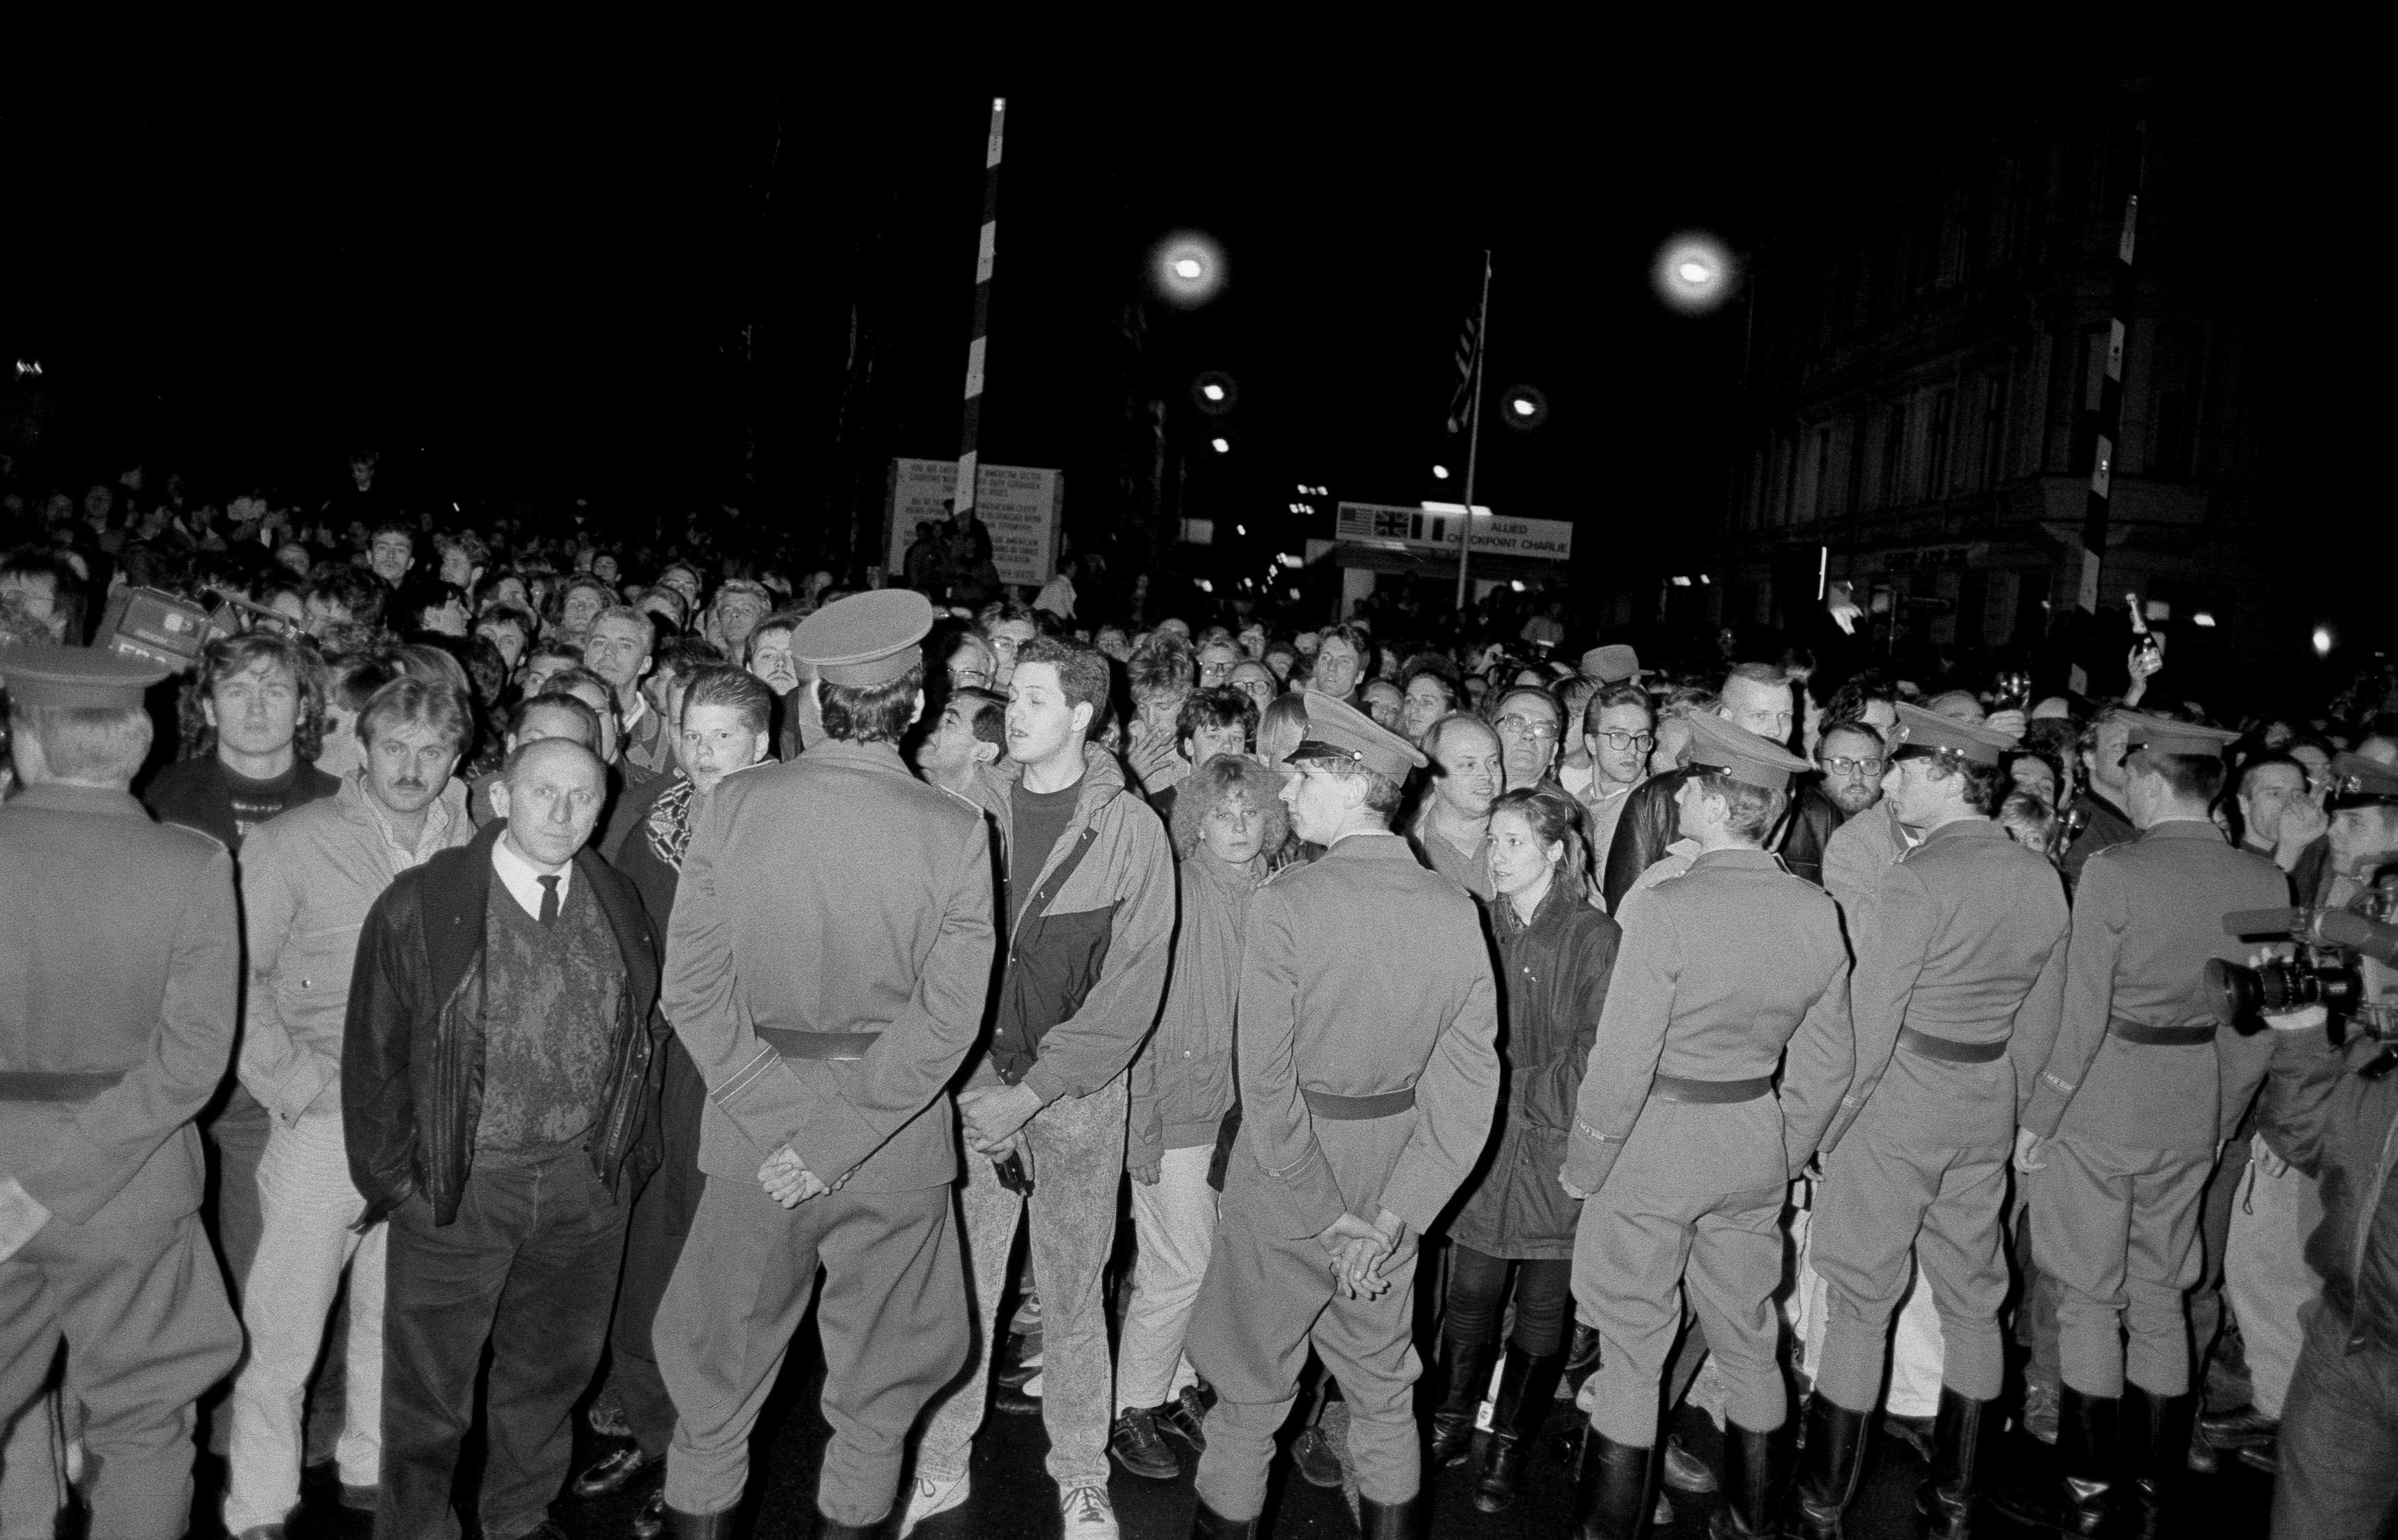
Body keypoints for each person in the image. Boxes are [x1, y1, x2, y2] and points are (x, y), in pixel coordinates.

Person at [648, 593, 995, 1540]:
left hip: (758, 1144)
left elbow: (693, 988)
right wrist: (841, 1137)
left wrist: (782, 1120)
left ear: (807, 696)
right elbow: (948, 1020)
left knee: (715, 1381)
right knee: (881, 1391)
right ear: (916, 703)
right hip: (894, 1148)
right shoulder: (958, 829)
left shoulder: (737, 806)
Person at [1183, 690, 1500, 1539]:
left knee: (1248, 1399)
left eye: (1297, 780)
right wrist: (1391, 1217)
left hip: (1289, 1176)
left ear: (1343, 780)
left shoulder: (1286, 904)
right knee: (1384, 1394)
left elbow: (1268, 1083)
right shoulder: (1454, 910)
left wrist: (1326, 1218)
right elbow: (1468, 1091)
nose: (1284, 796)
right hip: (1393, 1175)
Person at [344, 737, 667, 1540]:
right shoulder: (424, 902)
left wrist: (620, 1165)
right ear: (498, 797)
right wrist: (398, 1185)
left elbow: (641, 1034)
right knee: (428, 1395)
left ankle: (518, 1516)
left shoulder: (617, 897)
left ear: (604, 804)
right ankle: (415, 1529)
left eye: (582, 796)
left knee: (550, 1377)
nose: (561, 812)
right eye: (542, 792)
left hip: (582, 1185)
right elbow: (372, 1056)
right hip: (459, 1187)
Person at [906, 636, 1175, 1540]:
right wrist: (980, 1083)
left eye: (1031, 699)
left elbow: (1134, 987)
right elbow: (932, 960)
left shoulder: (1129, 829)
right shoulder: (963, 807)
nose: (1011, 714)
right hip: (975, 1087)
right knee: (964, 1293)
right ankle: (940, 1461)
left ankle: (1081, 1475)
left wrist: (1034, 1092)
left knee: (1071, 1294)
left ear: (1082, 716)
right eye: (1011, 698)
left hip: (1077, 1098)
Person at [1561, 710, 1853, 1540]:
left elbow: (1621, 1059)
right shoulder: (1813, 910)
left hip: (1655, 1144)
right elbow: (1828, 1063)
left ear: (1719, 805)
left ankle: (1605, 1529)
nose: (1680, 791)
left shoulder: (1667, 907)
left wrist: (1586, 1162)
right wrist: (1781, 1145)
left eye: (1692, 782)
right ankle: (1754, 1522)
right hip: (1751, 1137)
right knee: (1748, 1336)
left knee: (1631, 1344)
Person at [1999, 714, 2289, 1535]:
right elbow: (2257, 1021)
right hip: (2190, 1098)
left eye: (2128, 770)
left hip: (2100, 1100)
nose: (2120, 782)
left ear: (2154, 779)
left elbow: (2081, 1008)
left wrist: (2041, 1112)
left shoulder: (2113, 869)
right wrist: (2222, 1109)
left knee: (2089, 1297)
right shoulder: (2265, 881)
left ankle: (2089, 1491)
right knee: (2162, 1292)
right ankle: (2155, 1491)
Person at [1788, 706, 2069, 1540]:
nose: (1888, 785)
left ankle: (1819, 1503)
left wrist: (1826, 1132)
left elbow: (1869, 1022)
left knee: (1859, 1299)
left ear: (1949, 774)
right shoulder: (2038, 877)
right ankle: (1953, 1500)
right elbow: (2039, 1018)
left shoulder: (1914, 877)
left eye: (1904, 771)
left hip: (1897, 1108)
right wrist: (2012, 1111)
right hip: (1981, 1105)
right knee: (1973, 1304)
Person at [221, 674, 478, 1535]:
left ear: (457, 757)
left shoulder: (473, 844)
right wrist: (297, 1089)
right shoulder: (293, 843)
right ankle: (260, 1503)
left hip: (429, 1127)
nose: (412, 767)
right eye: (395, 746)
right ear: (359, 749)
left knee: (388, 1319)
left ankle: (369, 1472)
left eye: (433, 749)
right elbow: (234, 982)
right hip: (327, 1125)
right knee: (283, 1336)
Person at [0, 646, 245, 1540]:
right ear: (136, 746)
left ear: (26, 740)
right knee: (145, 1423)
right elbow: (191, 1065)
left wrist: (21, 1186)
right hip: (130, 1184)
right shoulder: (189, 863)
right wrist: (58, 1182)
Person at [573, 667, 772, 1539]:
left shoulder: (785, 825)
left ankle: (703, 1456)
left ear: (761, 744)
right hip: (648, 1059)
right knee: (643, 1243)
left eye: (723, 735)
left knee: (717, 1268)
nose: (702, 749)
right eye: (693, 732)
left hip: (734, 1065)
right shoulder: (650, 815)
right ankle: (647, 1422)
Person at [1432, 784, 1620, 1515]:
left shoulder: (1592, 937)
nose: (1498, 855)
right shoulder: (1476, 924)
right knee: (1471, 1293)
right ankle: (1450, 1419)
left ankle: (1508, 1440)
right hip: (1482, 1143)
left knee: (1543, 1308)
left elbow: (1597, 1054)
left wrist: (1504, 1089)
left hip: (1551, 1146)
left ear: (1553, 852)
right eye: (1493, 841)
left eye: (1514, 842)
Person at [1112, 756, 1289, 1485]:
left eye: (1249, 811)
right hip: (1181, 1109)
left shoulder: (1274, 891)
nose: (1239, 826)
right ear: (1196, 822)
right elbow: (1140, 1018)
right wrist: (1142, 1125)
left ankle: (1180, 1383)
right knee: (1174, 1267)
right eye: (1222, 813)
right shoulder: (1177, 892)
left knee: (1208, 1265)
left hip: (1241, 1111)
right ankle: (1131, 1406)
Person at [1601, 663, 1798, 910]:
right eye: (1760, 716)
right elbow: (1623, 910)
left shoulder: (1815, 809)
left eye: (1785, 716)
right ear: (1727, 719)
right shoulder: (1660, 797)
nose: (1776, 729)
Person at [1408, 713, 1503, 901]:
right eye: (1469, 765)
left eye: (1493, 762)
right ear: (1435, 775)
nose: (1486, 775)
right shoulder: (1405, 845)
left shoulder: (1527, 838)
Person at [2056, 705, 2140, 893]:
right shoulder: (2078, 829)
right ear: (2090, 758)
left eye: (2138, 746)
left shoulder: (2153, 815)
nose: (2133, 756)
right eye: (2120, 746)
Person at [586, 606, 671, 784]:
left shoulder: (668, 738)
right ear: (585, 655)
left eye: (625, 645)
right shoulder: (554, 717)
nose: (608, 652)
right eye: (599, 642)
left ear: (645, 664)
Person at [1575, 683, 1653, 876]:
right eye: (1618, 736)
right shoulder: (1573, 806)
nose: (1633, 750)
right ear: (1591, 743)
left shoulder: (1651, 806)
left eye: (1642, 737)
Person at [911, 684, 1007, 804]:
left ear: (984, 752)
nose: (930, 725)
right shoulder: (902, 783)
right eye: (936, 716)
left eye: (949, 721)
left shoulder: (987, 818)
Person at [1490, 684, 1564, 793]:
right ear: (1489, 735)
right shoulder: (1459, 791)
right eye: (1516, 723)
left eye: (1542, 729)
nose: (1529, 735)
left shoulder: (1562, 808)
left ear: (1554, 752)